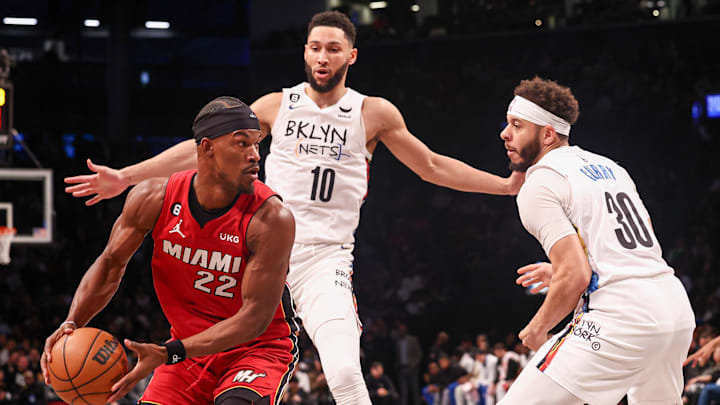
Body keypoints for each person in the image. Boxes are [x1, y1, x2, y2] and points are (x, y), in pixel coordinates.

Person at [62, 11, 523, 405]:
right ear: (305, 52)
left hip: (321, 257)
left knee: (343, 371)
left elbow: (431, 165)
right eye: (315, 48)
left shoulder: (373, 113)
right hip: (252, 246)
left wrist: (504, 187)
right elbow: (201, 149)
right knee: (215, 345)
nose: (323, 57)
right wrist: (126, 176)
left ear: (351, 56)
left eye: (334, 49)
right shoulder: (276, 105)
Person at [41, 97, 299, 405]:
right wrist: (72, 322)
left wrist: (171, 352)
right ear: (207, 148)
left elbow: (254, 319)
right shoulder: (153, 198)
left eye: (257, 144)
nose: (255, 155)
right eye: (242, 144)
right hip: (187, 353)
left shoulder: (271, 219)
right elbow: (110, 265)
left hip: (255, 350)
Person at [499, 77, 695, 404]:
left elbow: (576, 276)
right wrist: (562, 270)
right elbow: (631, 246)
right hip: (674, 309)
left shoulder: (540, 182)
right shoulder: (610, 167)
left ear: (547, 134)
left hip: (622, 315)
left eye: (517, 125)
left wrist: (537, 328)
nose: (504, 133)